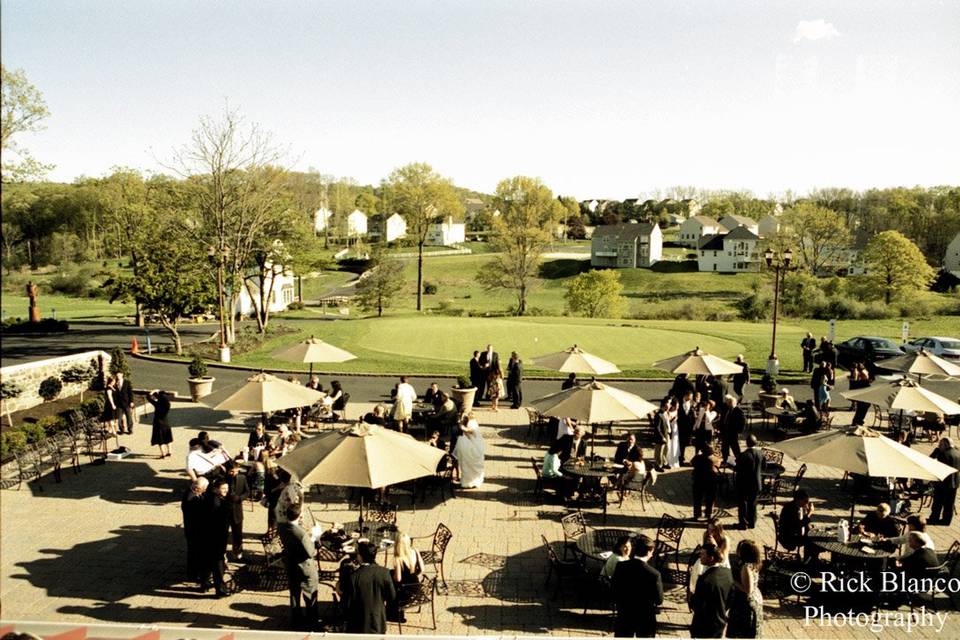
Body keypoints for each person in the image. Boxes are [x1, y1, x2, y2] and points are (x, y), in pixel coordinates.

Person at [277, 503, 322, 630]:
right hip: (304, 566)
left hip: (291, 564)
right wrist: (314, 536)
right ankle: (312, 622)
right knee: (310, 593)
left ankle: (296, 620)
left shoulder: (281, 526)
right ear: (299, 515)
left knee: (294, 593)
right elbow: (311, 552)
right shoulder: (301, 534)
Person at [612, 534, 662, 638]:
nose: (652, 555)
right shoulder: (654, 574)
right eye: (652, 552)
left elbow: (614, 590)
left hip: (624, 615)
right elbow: (659, 600)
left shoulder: (621, 566)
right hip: (645, 618)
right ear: (648, 552)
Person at [343, 541, 396, 634]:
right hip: (378, 621)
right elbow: (392, 596)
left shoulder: (354, 576)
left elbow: (346, 604)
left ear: (360, 556)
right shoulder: (385, 573)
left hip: (358, 624)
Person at [689, 543, 734, 638]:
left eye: (702, 554)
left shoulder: (704, 580)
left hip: (703, 625)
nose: (700, 556)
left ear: (711, 558)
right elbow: (731, 597)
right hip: (720, 621)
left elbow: (697, 604)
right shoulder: (727, 573)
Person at [726, 540, 763, 638]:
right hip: (754, 599)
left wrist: (732, 580)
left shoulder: (746, 567)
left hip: (745, 605)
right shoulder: (754, 563)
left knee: (743, 633)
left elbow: (748, 589)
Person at [202, 478, 232, 597]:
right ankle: (220, 589)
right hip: (216, 537)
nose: (226, 491)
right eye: (223, 489)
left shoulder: (210, 497)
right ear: (216, 489)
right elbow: (220, 520)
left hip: (209, 536)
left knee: (208, 561)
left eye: (227, 488)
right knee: (218, 563)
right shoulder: (217, 502)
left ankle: (205, 583)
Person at [181, 477, 210, 590]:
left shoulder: (192, 493)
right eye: (204, 489)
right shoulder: (191, 499)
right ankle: (193, 575)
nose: (205, 491)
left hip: (193, 529)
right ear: (198, 489)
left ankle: (193, 574)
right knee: (194, 553)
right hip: (194, 531)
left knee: (193, 553)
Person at [689, 520, 731, 594]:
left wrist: (715, 545)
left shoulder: (725, 539)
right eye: (709, 529)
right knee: (697, 568)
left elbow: (722, 558)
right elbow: (705, 550)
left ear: (718, 530)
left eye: (713, 530)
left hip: (720, 562)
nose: (710, 532)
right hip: (709, 560)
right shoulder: (706, 534)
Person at [390, 532, 424, 623]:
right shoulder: (415, 551)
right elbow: (422, 569)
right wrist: (414, 573)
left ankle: (395, 615)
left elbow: (398, 579)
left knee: (389, 586)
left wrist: (392, 576)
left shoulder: (398, 559)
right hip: (416, 586)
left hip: (406, 591)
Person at [735, 435, 764, 530]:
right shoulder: (761, 453)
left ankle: (743, 523)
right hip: (756, 483)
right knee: (753, 503)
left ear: (747, 443)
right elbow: (764, 466)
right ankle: (752, 522)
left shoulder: (744, 455)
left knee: (743, 503)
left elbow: (738, 468)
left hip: (744, 483)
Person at [929, 437, 960, 525]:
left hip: (944, 482)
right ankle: (946, 520)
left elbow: (936, 466)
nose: (939, 446)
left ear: (945, 445)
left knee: (938, 502)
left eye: (940, 444)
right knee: (949, 503)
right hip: (955, 482)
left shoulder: (943, 454)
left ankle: (934, 518)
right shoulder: (957, 453)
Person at [223, 460, 250, 560]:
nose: (234, 474)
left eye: (236, 471)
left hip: (237, 511)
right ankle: (222, 553)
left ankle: (238, 553)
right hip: (224, 512)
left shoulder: (242, 478)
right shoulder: (222, 479)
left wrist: (240, 498)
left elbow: (247, 492)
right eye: (231, 472)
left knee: (238, 534)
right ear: (227, 470)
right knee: (223, 534)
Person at [453, 412, 485, 488]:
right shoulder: (473, 422)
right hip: (472, 447)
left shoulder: (471, 424)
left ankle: (468, 482)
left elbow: (469, 431)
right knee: (468, 465)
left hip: (469, 447)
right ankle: (472, 481)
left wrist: (461, 425)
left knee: (466, 464)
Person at [692, 445, 721, 521]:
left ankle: (697, 515)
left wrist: (697, 454)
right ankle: (709, 514)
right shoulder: (714, 459)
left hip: (698, 481)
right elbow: (719, 463)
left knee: (697, 499)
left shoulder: (698, 458)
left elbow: (692, 462)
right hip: (711, 482)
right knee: (710, 499)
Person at [779, 490, 814, 555]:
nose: (806, 504)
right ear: (799, 500)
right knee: (812, 541)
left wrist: (805, 513)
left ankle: (810, 558)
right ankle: (809, 560)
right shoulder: (790, 509)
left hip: (794, 533)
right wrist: (809, 514)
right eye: (805, 501)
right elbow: (798, 526)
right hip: (789, 537)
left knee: (813, 538)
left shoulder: (797, 506)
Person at [147, 389, 173, 459]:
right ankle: (169, 452)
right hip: (166, 423)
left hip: (158, 424)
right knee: (168, 438)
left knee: (160, 440)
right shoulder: (167, 405)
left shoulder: (157, 404)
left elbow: (148, 397)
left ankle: (163, 454)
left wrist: (152, 391)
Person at [720, 395, 745, 464]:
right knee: (724, 448)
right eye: (728, 403)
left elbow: (743, 422)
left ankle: (739, 461)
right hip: (725, 432)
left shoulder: (739, 411)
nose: (728, 404)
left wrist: (739, 432)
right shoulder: (726, 409)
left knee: (735, 448)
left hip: (733, 433)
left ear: (734, 403)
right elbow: (723, 419)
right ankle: (725, 460)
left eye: (730, 403)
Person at [677, 391, 696, 465]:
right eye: (690, 397)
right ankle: (680, 459)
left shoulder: (691, 404)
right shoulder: (680, 403)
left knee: (684, 443)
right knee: (680, 443)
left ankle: (681, 456)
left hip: (688, 427)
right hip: (680, 426)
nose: (691, 398)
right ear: (685, 396)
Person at [653, 398, 670, 472]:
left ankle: (664, 462)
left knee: (666, 449)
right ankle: (658, 465)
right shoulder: (659, 415)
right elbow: (657, 427)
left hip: (666, 434)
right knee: (659, 451)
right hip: (660, 436)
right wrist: (662, 437)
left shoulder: (666, 413)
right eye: (668, 404)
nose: (669, 405)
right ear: (665, 405)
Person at [666, 398, 681, 469]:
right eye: (677, 405)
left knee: (675, 444)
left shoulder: (677, 411)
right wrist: (673, 419)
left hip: (675, 429)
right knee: (670, 444)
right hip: (671, 428)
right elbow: (668, 421)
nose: (678, 407)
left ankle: (675, 460)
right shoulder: (669, 412)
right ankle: (669, 460)